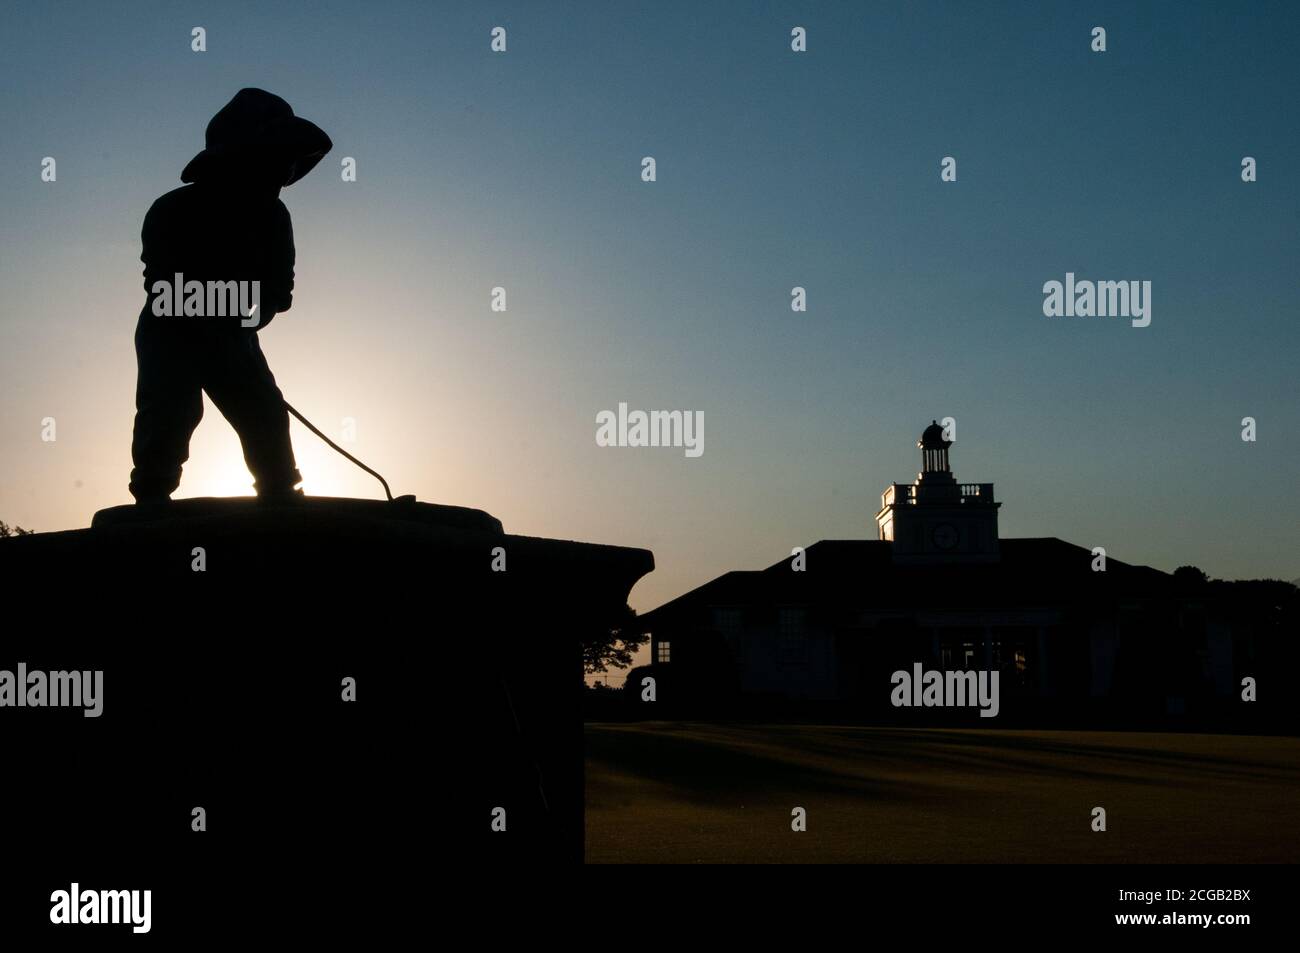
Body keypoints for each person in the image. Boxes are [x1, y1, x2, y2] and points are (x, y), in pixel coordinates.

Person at [128, 88, 332, 503]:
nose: (283, 171)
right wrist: (221, 312)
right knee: (168, 415)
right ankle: (150, 499)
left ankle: (280, 496)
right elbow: (163, 287)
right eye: (275, 157)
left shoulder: (274, 217)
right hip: (169, 335)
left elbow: (277, 293)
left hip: (232, 337)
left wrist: (231, 319)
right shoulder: (171, 210)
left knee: (265, 416)